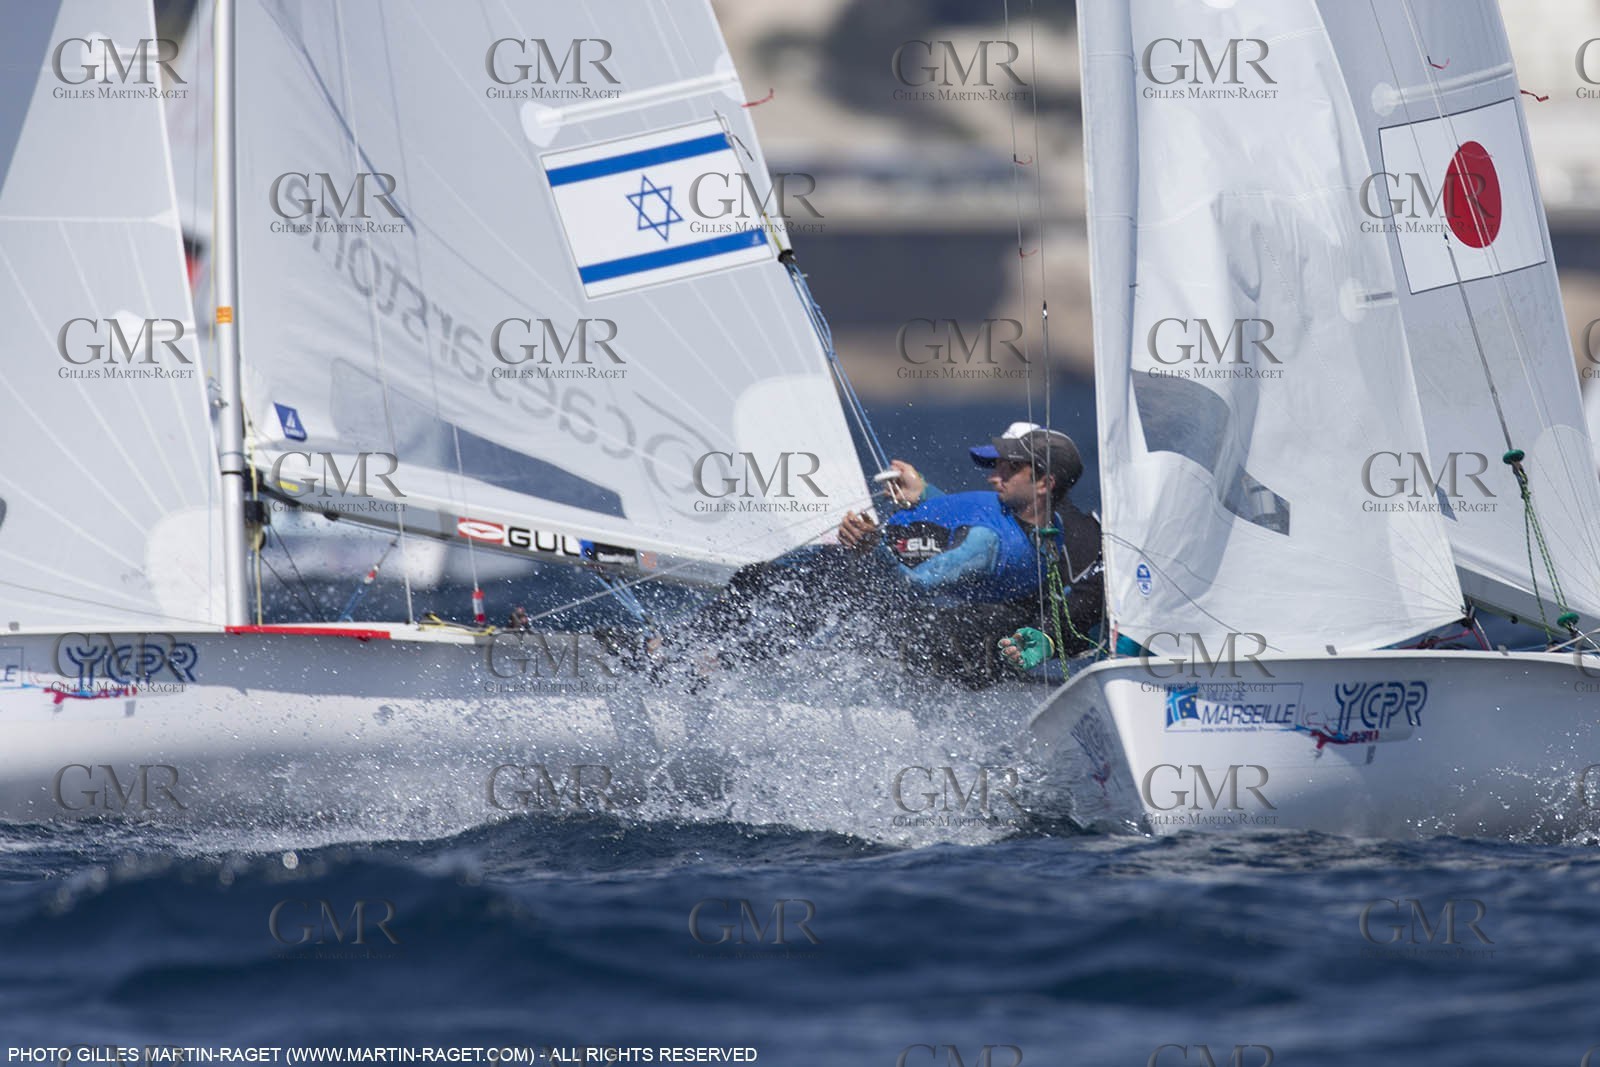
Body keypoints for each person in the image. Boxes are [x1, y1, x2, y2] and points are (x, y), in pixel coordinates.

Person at [644, 424, 1102, 688]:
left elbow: (926, 579)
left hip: (955, 644)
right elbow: (967, 533)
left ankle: (704, 665)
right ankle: (677, 647)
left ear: (1044, 481)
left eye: (1009, 467)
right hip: (943, 620)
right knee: (767, 580)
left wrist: (873, 551)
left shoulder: (1060, 537)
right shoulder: (1024, 522)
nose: (993, 477)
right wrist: (925, 496)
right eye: (996, 465)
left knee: (825, 594)